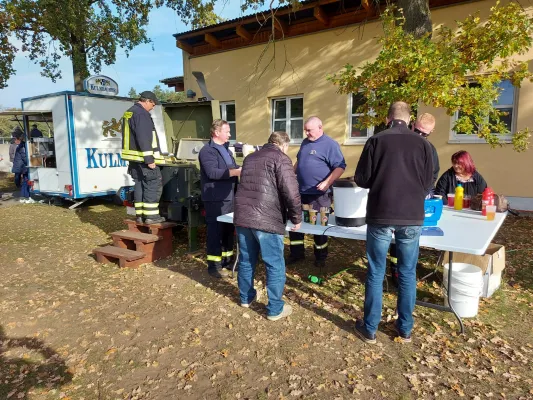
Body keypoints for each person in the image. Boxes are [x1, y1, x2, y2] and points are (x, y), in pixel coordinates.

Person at [354, 101, 433, 344]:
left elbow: (362, 179)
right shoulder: (424, 144)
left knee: (376, 272)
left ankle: (370, 328)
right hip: (411, 215)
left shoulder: (376, 141)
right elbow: (430, 182)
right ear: (410, 120)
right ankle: (405, 328)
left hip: (381, 213)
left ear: (388, 118)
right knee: (407, 272)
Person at [234, 131, 302, 320]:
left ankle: (245, 298)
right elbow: (291, 191)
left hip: (244, 216)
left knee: (247, 260)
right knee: (274, 264)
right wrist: (297, 217)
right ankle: (274, 309)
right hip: (267, 218)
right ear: (284, 145)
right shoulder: (282, 158)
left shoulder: (250, 158)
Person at [389, 112, 440, 286]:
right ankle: (395, 271)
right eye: (417, 130)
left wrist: (422, 192)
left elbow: (433, 175)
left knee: (410, 239)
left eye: (424, 134)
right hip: (394, 200)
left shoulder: (430, 150)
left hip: (415, 202)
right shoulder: (397, 142)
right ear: (411, 124)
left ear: (430, 133)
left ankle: (405, 274)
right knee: (395, 237)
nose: (419, 136)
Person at [288, 116, 346, 268]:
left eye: (309, 130)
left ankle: (320, 257)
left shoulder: (330, 144)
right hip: (301, 192)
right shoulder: (305, 143)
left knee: (319, 226)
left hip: (319, 195)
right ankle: (296, 254)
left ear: (320, 128)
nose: (306, 133)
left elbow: (340, 167)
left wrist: (327, 182)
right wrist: (291, 174)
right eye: (305, 130)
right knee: (296, 223)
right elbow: (300, 161)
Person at [199, 119, 241, 279]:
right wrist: (236, 172)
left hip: (229, 197)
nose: (230, 134)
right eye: (227, 131)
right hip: (215, 198)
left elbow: (233, 166)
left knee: (228, 230)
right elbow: (212, 173)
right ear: (217, 132)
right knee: (215, 232)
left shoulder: (226, 149)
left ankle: (228, 261)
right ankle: (214, 266)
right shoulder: (207, 151)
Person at [121, 91, 165, 224]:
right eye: (153, 104)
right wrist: (149, 159)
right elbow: (144, 138)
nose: (153, 107)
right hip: (143, 159)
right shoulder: (141, 114)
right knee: (153, 184)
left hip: (134, 159)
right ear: (147, 101)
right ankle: (151, 216)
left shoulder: (129, 112)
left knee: (139, 185)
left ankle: (140, 215)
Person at [12, 130, 30, 199]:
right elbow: (24, 157)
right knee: (25, 180)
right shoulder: (22, 146)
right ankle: (25, 195)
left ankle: (25, 195)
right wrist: (29, 163)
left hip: (20, 165)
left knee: (24, 179)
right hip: (21, 166)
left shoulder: (21, 145)